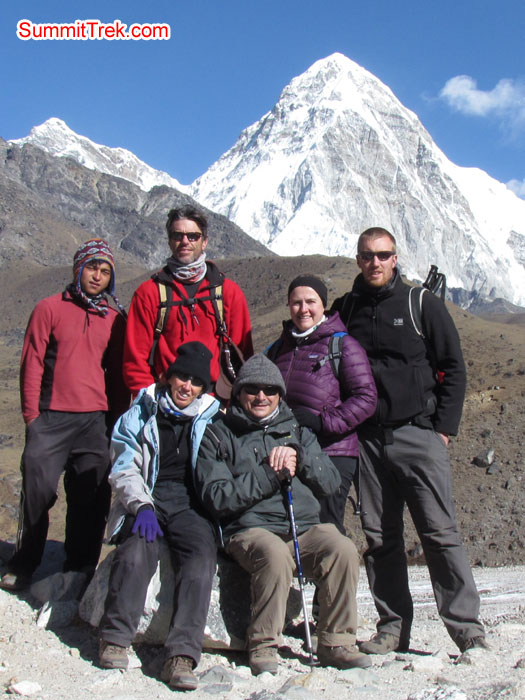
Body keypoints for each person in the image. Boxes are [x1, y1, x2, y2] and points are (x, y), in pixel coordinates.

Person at [331, 227, 487, 655]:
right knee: (381, 537)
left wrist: (442, 429)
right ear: (358, 259)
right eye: (367, 255)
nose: (375, 262)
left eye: (383, 255)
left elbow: (453, 366)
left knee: (440, 533)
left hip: (418, 434)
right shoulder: (346, 309)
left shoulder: (422, 304)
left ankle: (467, 630)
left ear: (395, 258)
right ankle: (393, 628)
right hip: (367, 440)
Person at [195, 354, 371, 676]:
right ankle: (263, 645)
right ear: (238, 394)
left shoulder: (298, 431)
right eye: (252, 390)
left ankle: (335, 642)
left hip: (302, 526)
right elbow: (217, 497)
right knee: (274, 554)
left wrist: (301, 457)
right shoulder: (219, 434)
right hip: (250, 529)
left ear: (279, 395)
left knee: (342, 548)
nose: (261, 397)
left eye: (269, 390)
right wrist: (268, 475)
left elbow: (331, 483)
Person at [0, 239, 129, 591]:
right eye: (92, 268)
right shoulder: (49, 308)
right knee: (38, 489)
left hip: (95, 420)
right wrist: (32, 416)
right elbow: (32, 363)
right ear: (78, 269)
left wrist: (116, 420)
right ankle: (24, 562)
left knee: (92, 492)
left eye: (105, 272)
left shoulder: (114, 318)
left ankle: (81, 566)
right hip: (50, 417)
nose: (97, 277)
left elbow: (117, 375)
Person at [98, 341, 220, 692]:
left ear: (204, 387)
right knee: (136, 552)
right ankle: (115, 638)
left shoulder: (212, 418)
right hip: (148, 501)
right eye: (181, 376)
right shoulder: (141, 412)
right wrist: (142, 506)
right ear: (168, 377)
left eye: (196, 381)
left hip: (189, 506)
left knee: (200, 557)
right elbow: (123, 466)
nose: (187, 386)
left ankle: (182, 656)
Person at [267, 274, 377, 534]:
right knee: (295, 524)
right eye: (296, 303)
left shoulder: (342, 345)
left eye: (310, 302)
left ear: (323, 305)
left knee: (326, 528)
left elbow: (366, 398)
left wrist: (322, 422)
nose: (303, 309)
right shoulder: (278, 349)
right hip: (290, 450)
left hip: (333, 453)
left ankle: (333, 574)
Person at [123, 205, 253, 397]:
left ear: (204, 241)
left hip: (215, 403)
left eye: (193, 236)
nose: (185, 241)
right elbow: (134, 361)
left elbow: (243, 356)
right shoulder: (149, 294)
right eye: (178, 235)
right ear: (169, 241)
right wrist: (151, 402)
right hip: (165, 401)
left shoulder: (228, 292)